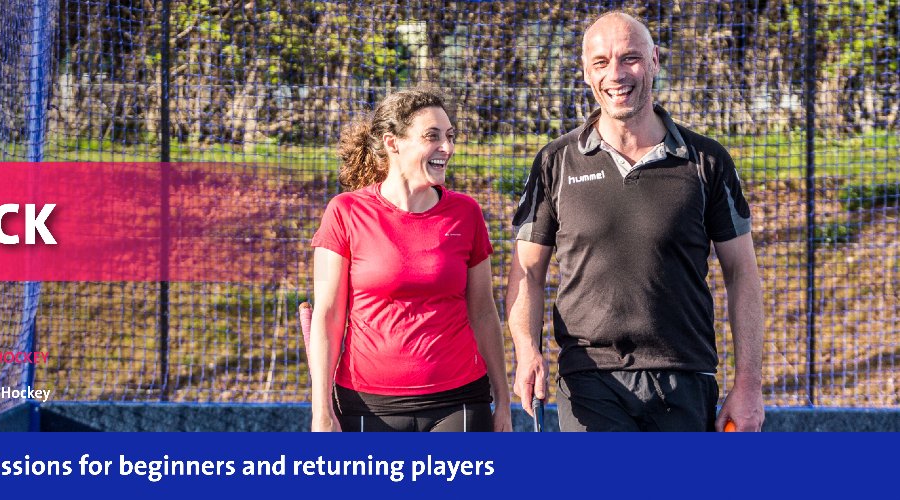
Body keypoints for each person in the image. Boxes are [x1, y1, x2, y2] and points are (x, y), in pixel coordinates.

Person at [506, 11, 765, 432]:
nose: (616, 74)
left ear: (655, 60)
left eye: (630, 58)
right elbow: (527, 272)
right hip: (590, 377)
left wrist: (749, 385)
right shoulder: (556, 161)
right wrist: (526, 350)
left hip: (685, 376)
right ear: (586, 72)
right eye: (601, 62)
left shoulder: (707, 161)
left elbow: (742, 273)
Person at [308, 89, 511, 432]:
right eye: (432, 136)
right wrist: (321, 410)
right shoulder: (345, 212)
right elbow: (328, 316)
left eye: (450, 136)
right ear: (393, 143)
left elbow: (483, 311)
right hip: (366, 405)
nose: (447, 148)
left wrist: (503, 401)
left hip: (460, 400)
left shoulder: (466, 213)